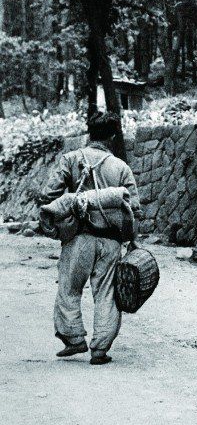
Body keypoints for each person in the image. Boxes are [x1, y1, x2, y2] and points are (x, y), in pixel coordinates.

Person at [40, 113, 141, 365]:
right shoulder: (121, 167)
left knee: (69, 289)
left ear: (89, 133)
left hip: (78, 239)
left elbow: (48, 193)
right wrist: (130, 239)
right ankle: (99, 350)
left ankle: (74, 339)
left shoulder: (71, 159)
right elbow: (135, 209)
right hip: (110, 242)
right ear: (113, 136)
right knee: (107, 293)